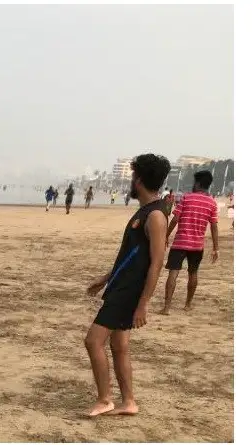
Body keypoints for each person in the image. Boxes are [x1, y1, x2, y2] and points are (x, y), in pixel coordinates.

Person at [84, 153, 170, 417]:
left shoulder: (155, 215)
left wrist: (143, 304)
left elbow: (156, 263)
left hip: (129, 292)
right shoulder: (145, 211)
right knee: (119, 346)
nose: (131, 181)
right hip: (121, 285)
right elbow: (132, 255)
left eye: (133, 176)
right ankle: (129, 402)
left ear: (139, 179)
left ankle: (105, 399)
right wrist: (106, 277)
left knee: (93, 341)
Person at [161, 171, 219, 314]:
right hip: (197, 245)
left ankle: (167, 307)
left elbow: (175, 219)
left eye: (194, 182)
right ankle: (187, 304)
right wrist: (216, 248)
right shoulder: (212, 202)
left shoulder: (186, 198)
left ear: (198, 183)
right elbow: (214, 225)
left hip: (180, 243)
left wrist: (166, 236)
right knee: (193, 273)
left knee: (173, 273)